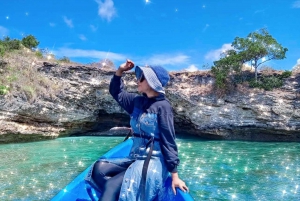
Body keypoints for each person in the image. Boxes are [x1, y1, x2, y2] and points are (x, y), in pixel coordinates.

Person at [86, 59, 188, 201]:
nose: (137, 80)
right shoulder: (137, 101)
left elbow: (169, 141)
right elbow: (116, 92)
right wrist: (120, 71)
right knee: (99, 169)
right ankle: (119, 195)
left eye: (142, 77)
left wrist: (175, 175)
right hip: (135, 157)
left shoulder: (163, 107)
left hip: (153, 161)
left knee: (111, 185)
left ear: (153, 82)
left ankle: (115, 193)